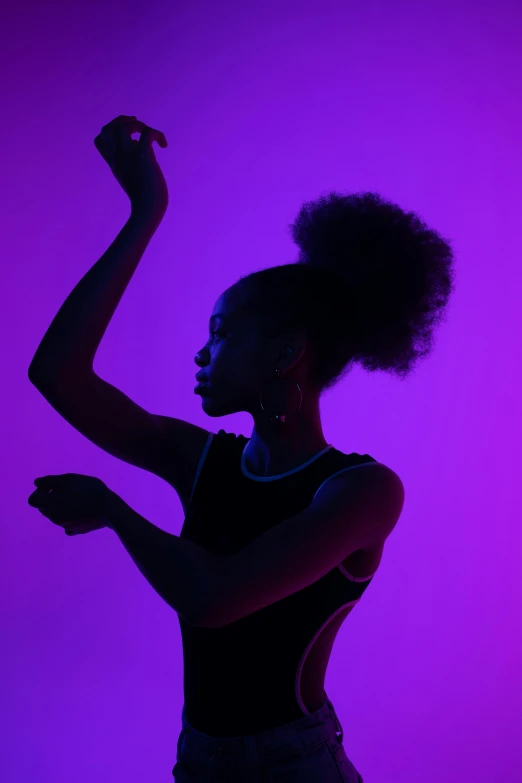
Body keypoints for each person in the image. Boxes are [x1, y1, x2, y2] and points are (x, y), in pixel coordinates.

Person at [28, 116, 456, 782]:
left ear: (286, 352)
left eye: (221, 332)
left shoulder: (361, 490)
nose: (201, 352)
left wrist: (112, 508)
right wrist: (144, 215)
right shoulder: (204, 460)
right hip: (197, 761)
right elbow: (58, 372)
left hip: (296, 768)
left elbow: (213, 596)